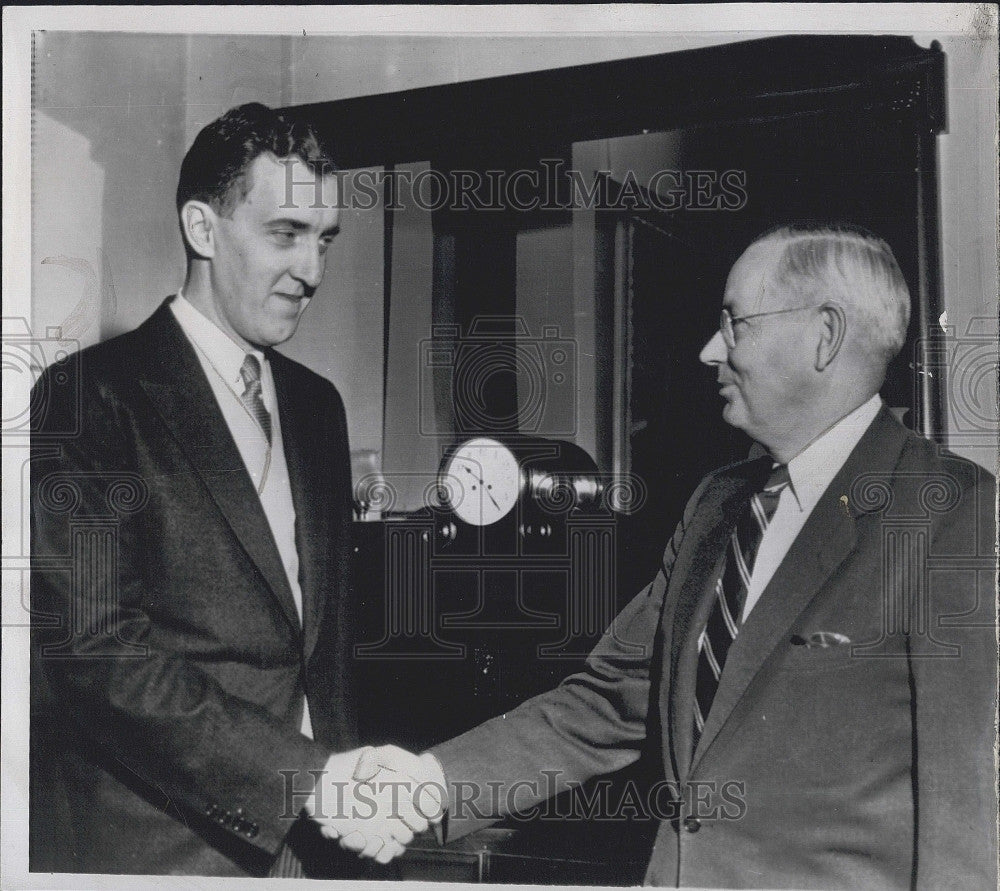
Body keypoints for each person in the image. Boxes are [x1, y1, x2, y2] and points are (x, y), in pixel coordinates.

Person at [361, 223, 997, 888]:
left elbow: (968, 802)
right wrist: (427, 783)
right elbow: (608, 700)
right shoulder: (716, 505)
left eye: (735, 323)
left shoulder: (951, 511)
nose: (708, 349)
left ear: (825, 335)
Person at [29, 103, 428, 877]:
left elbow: (323, 649)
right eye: (285, 233)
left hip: (323, 850)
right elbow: (98, 657)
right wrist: (307, 780)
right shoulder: (88, 399)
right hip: (169, 851)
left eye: (325, 239)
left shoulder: (318, 406)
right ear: (203, 229)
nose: (311, 270)